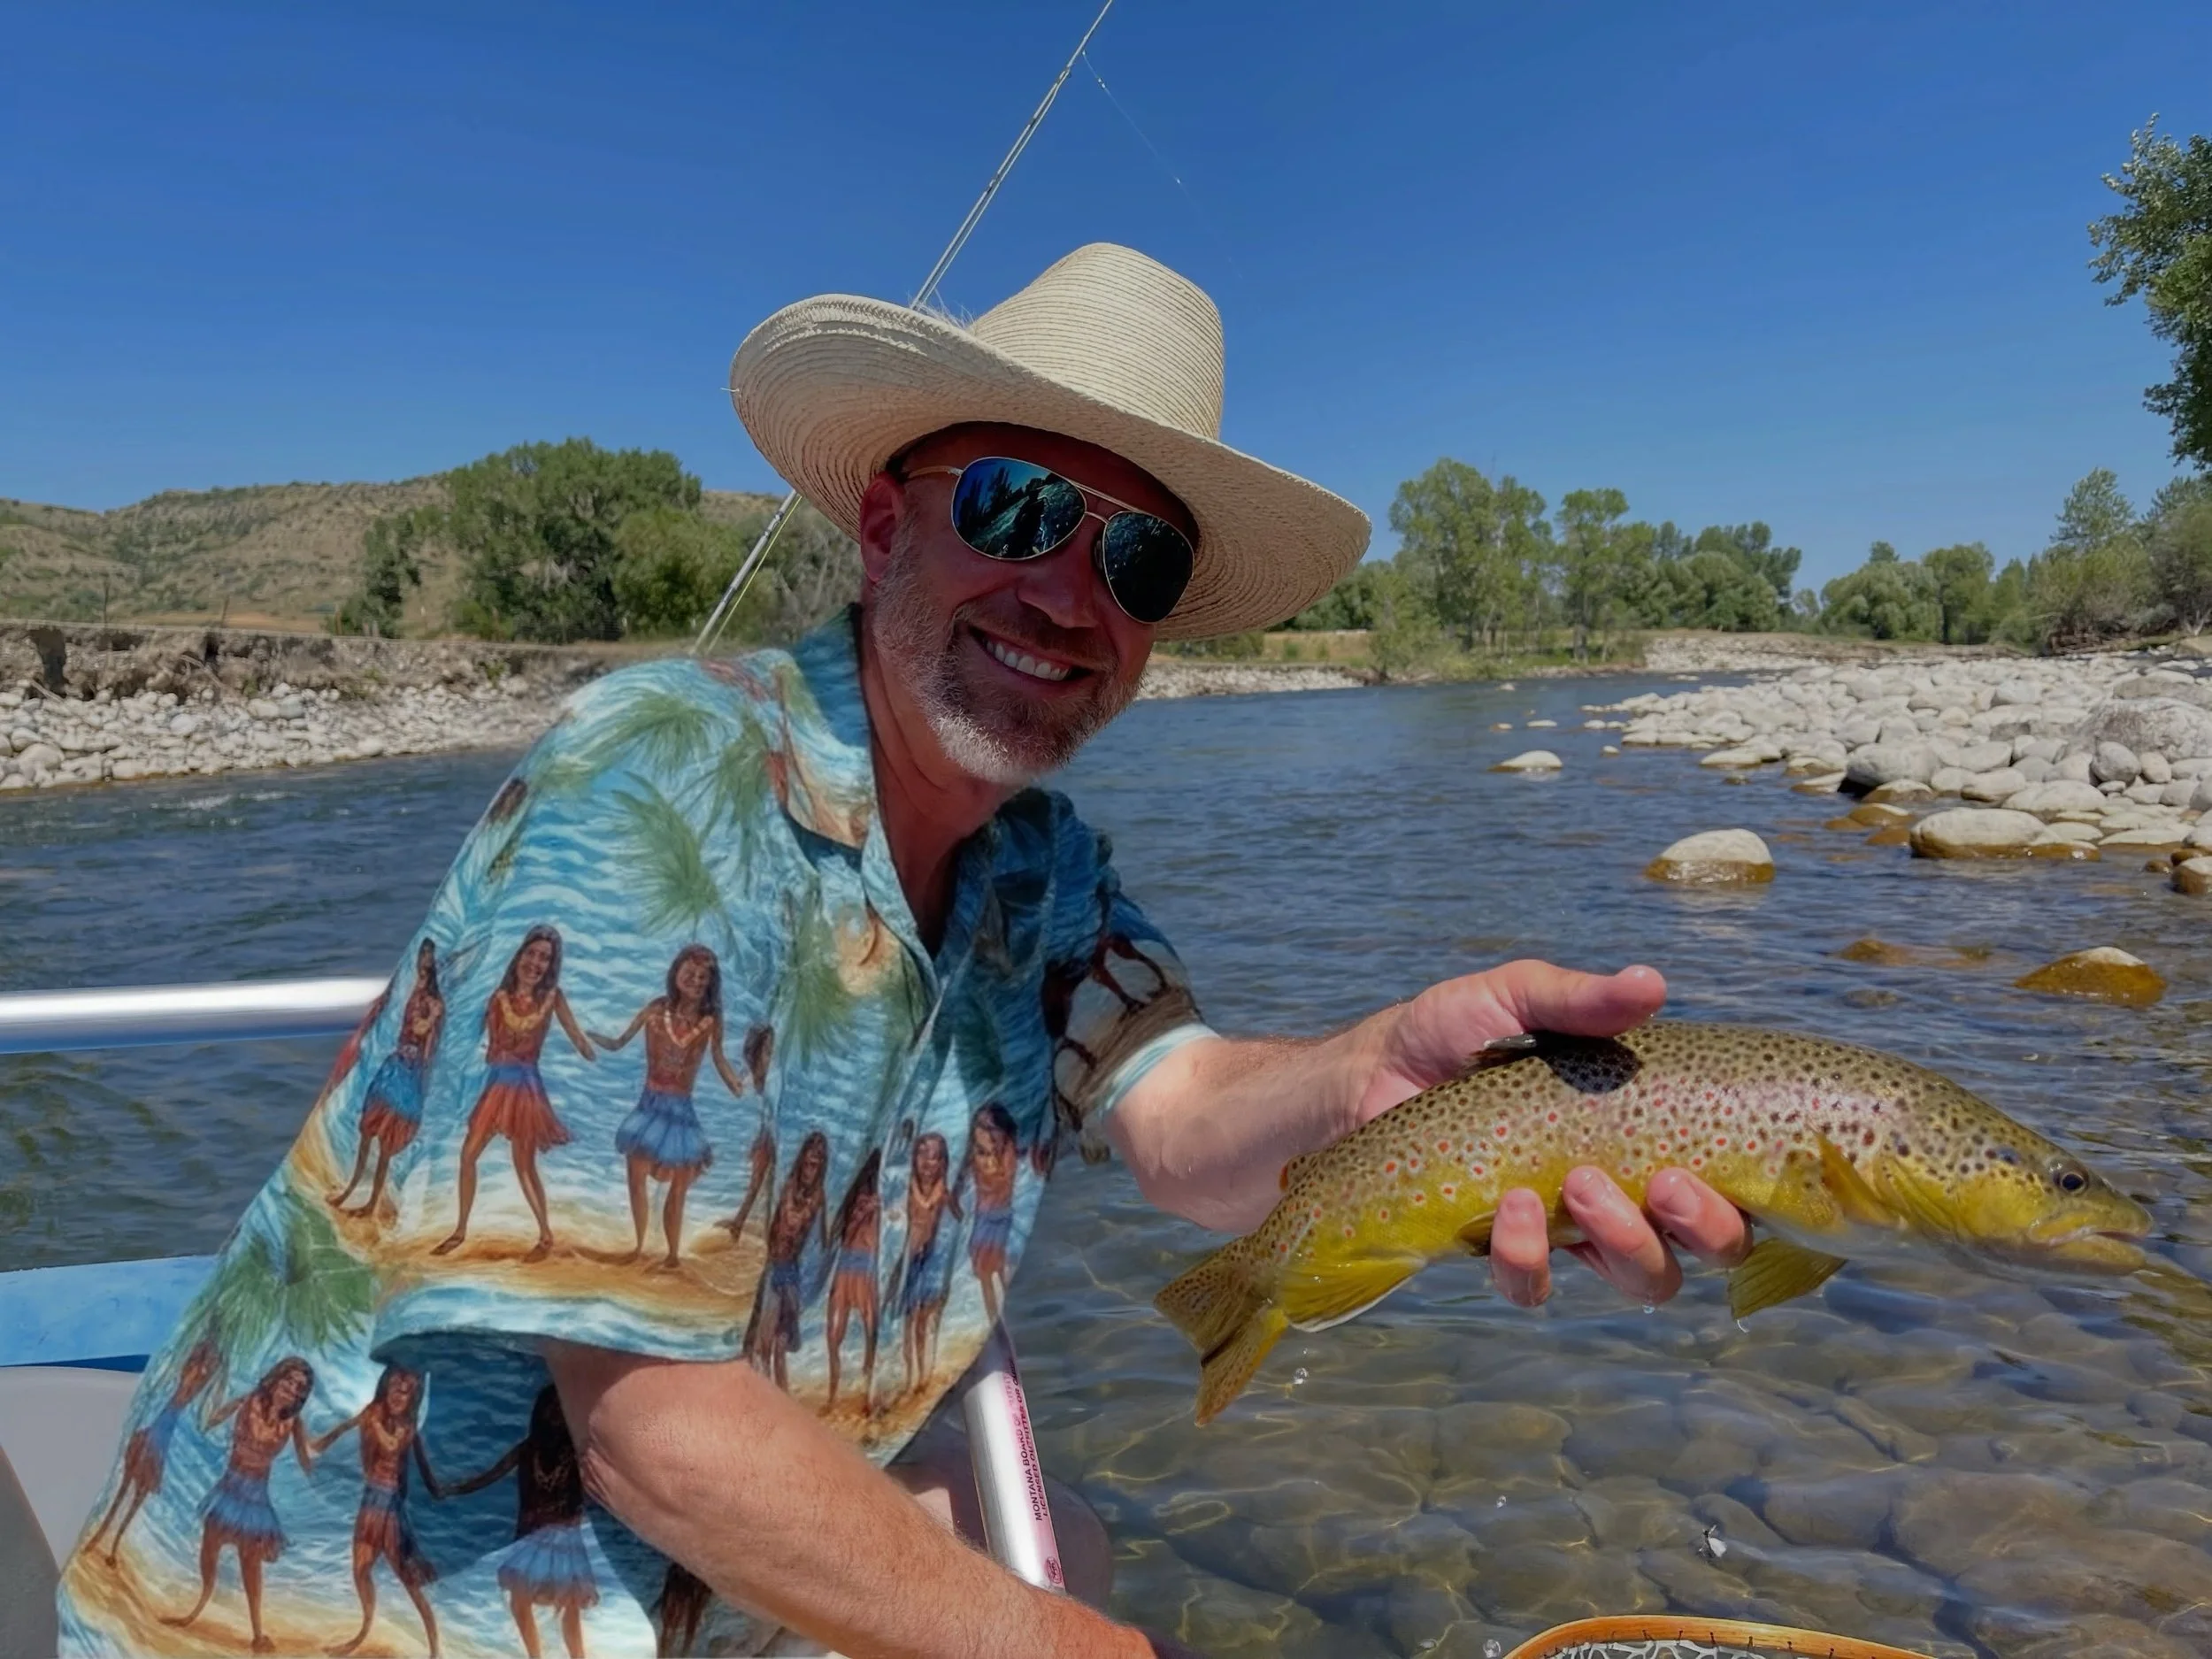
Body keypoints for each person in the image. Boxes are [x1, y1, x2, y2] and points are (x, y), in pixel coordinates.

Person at [61, 243, 1747, 1657]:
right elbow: (650, 1426)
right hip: (349, 1611)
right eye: (1020, 508)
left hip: (669, 1585)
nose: (1071, 596)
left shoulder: (1042, 868)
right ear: (882, 530)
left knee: (1060, 1535)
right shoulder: (657, 780)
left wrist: (1373, 1074)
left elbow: (1180, 1116)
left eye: (1138, 556)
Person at [436, 924, 596, 1261]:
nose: (535, 963)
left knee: (524, 1164)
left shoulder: (552, 998)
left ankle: (545, 1235)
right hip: (497, 1085)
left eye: (544, 958)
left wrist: (600, 1048)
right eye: (531, 953)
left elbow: (578, 1038)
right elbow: (482, 1044)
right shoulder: (499, 998)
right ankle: (460, 1230)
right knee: (468, 1155)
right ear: (520, 955)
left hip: (525, 1088)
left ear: (550, 966)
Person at [590, 944, 750, 1267]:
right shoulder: (656, 1008)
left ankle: (673, 1256)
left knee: (678, 1187)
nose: (696, 981)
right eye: (690, 973)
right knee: (636, 1172)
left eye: (703, 977)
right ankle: (638, 1247)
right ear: (675, 973)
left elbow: (718, 1057)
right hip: (649, 1105)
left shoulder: (709, 1020)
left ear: (710, 984)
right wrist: (594, 1040)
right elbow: (621, 1041)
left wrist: (735, 1083)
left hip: (680, 1111)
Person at [160, 1356, 319, 1654]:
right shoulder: (248, 1401)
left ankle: (258, 1634)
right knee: (210, 1547)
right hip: (230, 1490)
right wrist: (211, 1386)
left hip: (256, 1500)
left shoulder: (293, 1423)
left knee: (251, 1564)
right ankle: (197, 1606)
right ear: (277, 1378)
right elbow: (209, 1419)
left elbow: (308, 1461)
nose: (292, 1389)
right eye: (289, 1380)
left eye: (300, 1387)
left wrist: (338, 1457)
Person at [311, 1363, 449, 1656]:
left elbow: (392, 1446)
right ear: (385, 1386)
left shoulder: (405, 1426)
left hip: (390, 1510)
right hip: (370, 1503)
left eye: (406, 1391)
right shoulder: (373, 1412)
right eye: (395, 1387)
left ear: (413, 1398)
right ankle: (361, 1634)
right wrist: (321, 1443)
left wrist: (372, 1422)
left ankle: (435, 1649)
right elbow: (347, 1426)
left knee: (410, 1583)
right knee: (360, 1570)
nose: (399, 1394)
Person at [332, 936, 446, 1219]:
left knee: (385, 1143)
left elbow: (421, 1032)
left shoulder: (434, 1003)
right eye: (421, 959)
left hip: (409, 1074)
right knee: (367, 1130)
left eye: (426, 962)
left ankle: (372, 1202)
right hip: (394, 1066)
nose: (422, 967)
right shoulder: (415, 993)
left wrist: (432, 1015)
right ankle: (353, 1189)